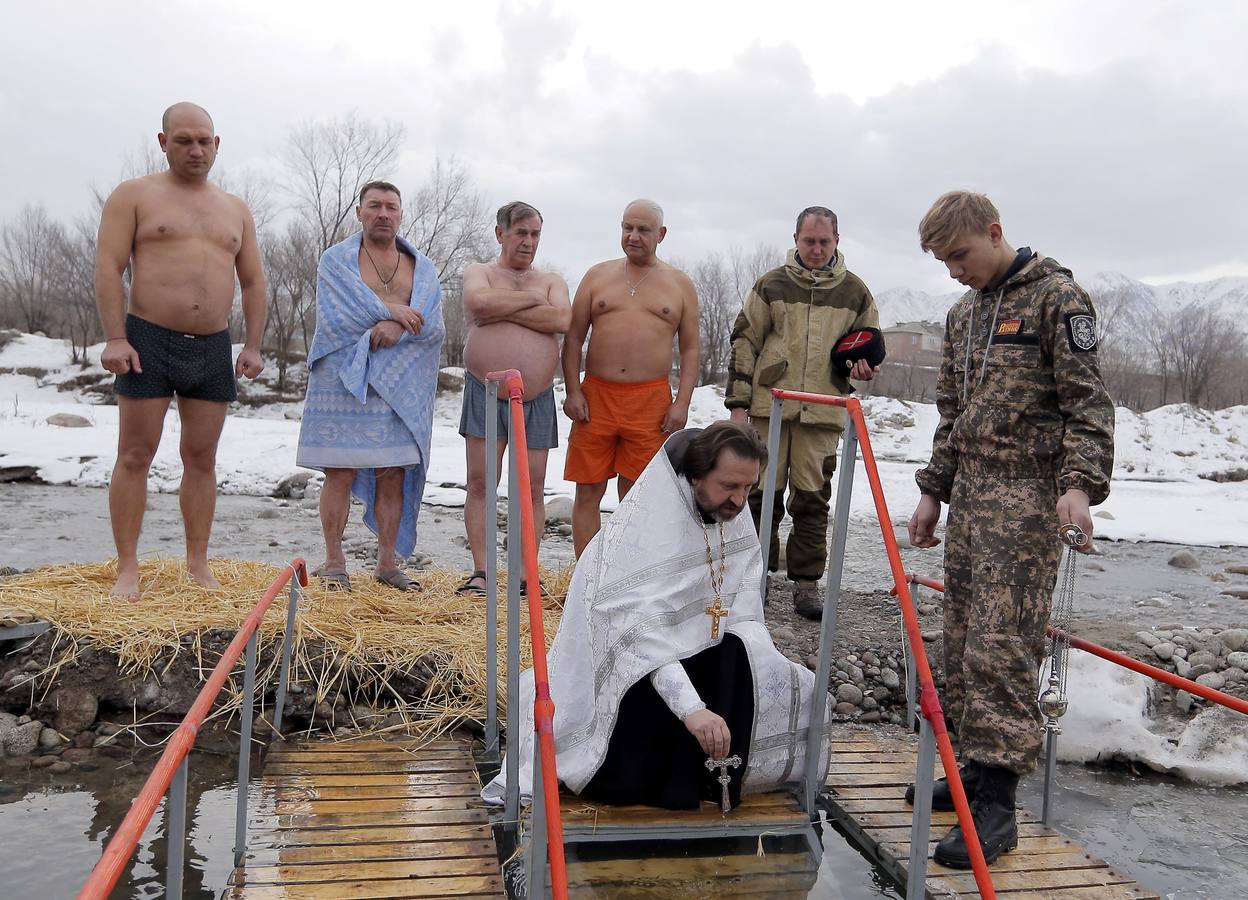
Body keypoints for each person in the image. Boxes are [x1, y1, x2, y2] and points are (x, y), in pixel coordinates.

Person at [906, 190, 1114, 868]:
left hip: (1028, 503)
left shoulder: (1059, 299)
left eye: (960, 255)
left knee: (1003, 647)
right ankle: (974, 769)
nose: (954, 271)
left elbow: (1088, 408)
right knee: (964, 641)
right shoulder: (963, 314)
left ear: (994, 233)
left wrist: (1078, 487)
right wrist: (934, 492)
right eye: (944, 262)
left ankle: (997, 805)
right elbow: (951, 413)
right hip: (971, 498)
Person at [483, 421, 831, 809]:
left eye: (748, 488)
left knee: (766, 666)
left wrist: (767, 665)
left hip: (691, 654)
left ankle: (712, 778)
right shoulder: (638, 539)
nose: (738, 500)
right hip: (627, 682)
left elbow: (741, 605)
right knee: (657, 701)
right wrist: (693, 709)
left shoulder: (729, 515)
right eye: (728, 486)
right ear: (695, 477)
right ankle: (662, 780)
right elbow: (637, 639)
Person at [95, 101, 266, 601]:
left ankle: (197, 564)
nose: (196, 149)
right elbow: (109, 267)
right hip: (147, 336)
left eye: (204, 140)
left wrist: (253, 344)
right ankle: (128, 567)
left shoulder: (234, 207)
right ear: (163, 141)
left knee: (201, 457)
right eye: (184, 139)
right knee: (134, 454)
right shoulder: (134, 195)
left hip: (213, 344)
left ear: (217, 144)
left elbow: (253, 281)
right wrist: (114, 336)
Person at [726, 206, 883, 619]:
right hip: (768, 410)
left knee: (812, 502)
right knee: (759, 497)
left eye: (824, 242)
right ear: (796, 239)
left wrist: (862, 369)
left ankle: (807, 585)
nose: (816, 249)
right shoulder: (771, 284)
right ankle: (752, 580)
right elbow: (745, 341)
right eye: (809, 241)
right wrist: (738, 406)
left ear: (837, 241)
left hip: (823, 412)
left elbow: (866, 351)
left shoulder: (855, 293)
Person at [296, 181, 444, 592]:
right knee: (339, 471)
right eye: (374, 206)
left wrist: (398, 327)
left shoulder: (424, 269)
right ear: (359, 212)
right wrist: (390, 311)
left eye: (391, 207)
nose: (383, 213)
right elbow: (336, 317)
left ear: (401, 214)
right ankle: (334, 560)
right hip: (344, 377)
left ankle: (386, 564)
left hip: (400, 384)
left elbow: (432, 327)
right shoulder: (336, 261)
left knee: (392, 473)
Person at [562, 199, 699, 557]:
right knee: (588, 490)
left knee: (636, 494)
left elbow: (690, 350)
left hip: (650, 402)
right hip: (596, 398)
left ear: (661, 234)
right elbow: (574, 337)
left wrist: (681, 402)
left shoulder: (680, 284)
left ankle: (626, 576)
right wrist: (573, 391)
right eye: (627, 228)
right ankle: (586, 579)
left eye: (643, 230)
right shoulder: (597, 276)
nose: (633, 236)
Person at [457, 202, 571, 597]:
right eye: (521, 232)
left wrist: (505, 307)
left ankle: (526, 572)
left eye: (535, 234)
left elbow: (561, 320)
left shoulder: (552, 279)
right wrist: (532, 303)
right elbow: (479, 304)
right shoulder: (480, 273)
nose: (528, 241)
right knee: (480, 483)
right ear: (500, 233)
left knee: (532, 486)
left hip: (535, 396)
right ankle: (482, 571)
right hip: (484, 391)